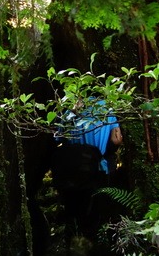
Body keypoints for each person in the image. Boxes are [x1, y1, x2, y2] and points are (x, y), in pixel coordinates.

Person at [52, 101, 123, 239]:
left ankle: (74, 239)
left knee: (73, 209)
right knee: (94, 208)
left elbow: (57, 138)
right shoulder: (106, 109)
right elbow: (116, 140)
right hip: (96, 168)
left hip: (71, 170)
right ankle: (93, 242)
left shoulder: (70, 111)